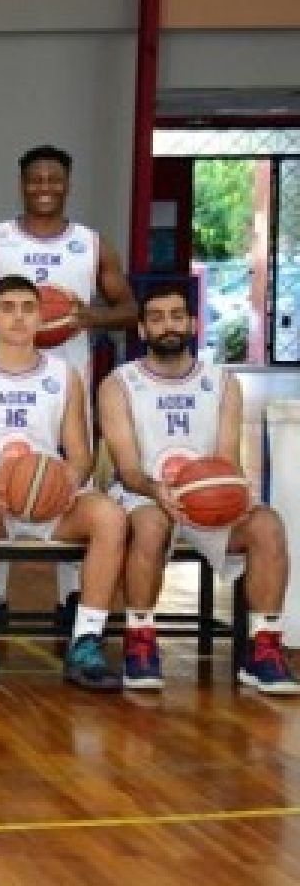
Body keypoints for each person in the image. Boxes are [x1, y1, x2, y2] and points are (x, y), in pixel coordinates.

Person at [0, 144, 138, 614]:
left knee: (66, 481)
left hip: (66, 379)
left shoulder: (91, 244)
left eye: (54, 179)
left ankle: (71, 595)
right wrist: (4, 317)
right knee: (0, 469)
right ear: (22, 184)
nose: (45, 187)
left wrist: (86, 317)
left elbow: (129, 309)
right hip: (3, 374)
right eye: (36, 179)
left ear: (68, 184)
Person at [99, 282, 296, 694]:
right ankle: (139, 641)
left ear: (192, 323)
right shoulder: (119, 384)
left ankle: (263, 650)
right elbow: (128, 469)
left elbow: (226, 457)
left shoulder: (222, 382)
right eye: (156, 318)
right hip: (143, 494)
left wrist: (235, 495)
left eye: (176, 316)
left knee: (268, 526)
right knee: (151, 525)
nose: (168, 326)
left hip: (207, 497)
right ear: (142, 329)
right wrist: (159, 491)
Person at [0, 275, 127, 692]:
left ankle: (87, 640)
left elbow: (80, 455)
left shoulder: (65, 376)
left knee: (111, 517)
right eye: (7, 308)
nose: (19, 317)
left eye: (28, 308)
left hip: (49, 500)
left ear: (42, 318)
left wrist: (66, 481)